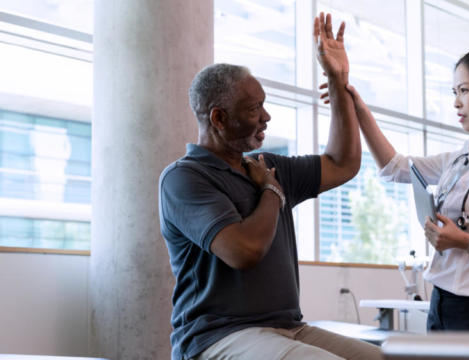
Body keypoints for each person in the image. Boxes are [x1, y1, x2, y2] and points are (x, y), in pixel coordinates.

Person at [158, 13, 382, 360]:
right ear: (218, 118)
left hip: (287, 326)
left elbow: (343, 164)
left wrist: (337, 81)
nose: (266, 117)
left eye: (264, 105)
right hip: (217, 337)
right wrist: (272, 192)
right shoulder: (184, 178)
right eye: (254, 108)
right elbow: (243, 252)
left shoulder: (268, 166)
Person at [322, 46, 469, 332]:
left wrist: (465, 241)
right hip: (443, 303)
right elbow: (395, 167)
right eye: (454, 93)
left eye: (464, 90)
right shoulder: (464, 157)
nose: (456, 103)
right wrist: (358, 109)